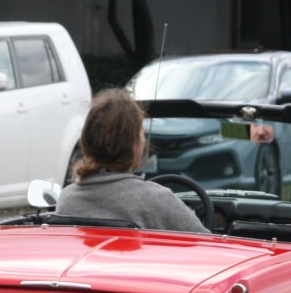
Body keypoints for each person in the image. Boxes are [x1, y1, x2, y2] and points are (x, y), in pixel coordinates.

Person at [55, 89, 209, 233]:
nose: (144, 140)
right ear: (134, 143)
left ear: (87, 140)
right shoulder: (157, 200)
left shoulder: (67, 199)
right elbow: (210, 248)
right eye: (142, 133)